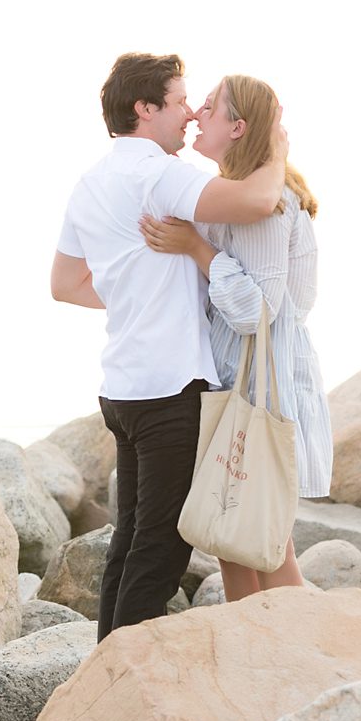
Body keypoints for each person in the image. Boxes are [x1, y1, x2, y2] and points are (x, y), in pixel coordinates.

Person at [49, 52, 288, 641]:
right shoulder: (158, 174)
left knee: (129, 539)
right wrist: (279, 148)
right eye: (180, 101)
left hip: (122, 391)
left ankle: (105, 671)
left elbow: (65, 285)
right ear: (145, 108)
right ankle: (124, 685)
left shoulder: (91, 182)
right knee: (159, 552)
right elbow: (258, 201)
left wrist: (138, 291)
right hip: (169, 393)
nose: (188, 114)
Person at [140, 74, 328, 601]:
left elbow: (258, 313)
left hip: (261, 388)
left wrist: (197, 250)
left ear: (238, 127)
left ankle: (304, 657)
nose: (197, 114)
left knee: (264, 537)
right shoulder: (239, 198)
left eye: (208, 107)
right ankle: (259, 655)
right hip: (237, 382)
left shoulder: (268, 207)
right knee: (232, 534)